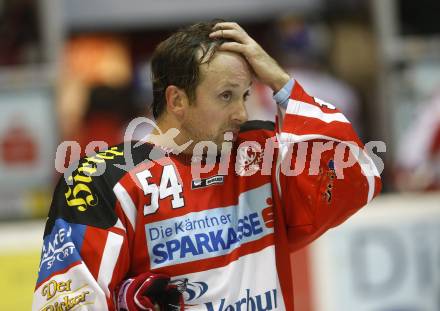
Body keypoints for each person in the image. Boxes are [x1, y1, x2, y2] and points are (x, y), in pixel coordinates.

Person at [32, 21, 382, 311]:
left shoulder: (261, 152)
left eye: (245, 95)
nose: (242, 113)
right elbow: (66, 301)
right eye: (226, 96)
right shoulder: (102, 179)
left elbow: (357, 179)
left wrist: (281, 82)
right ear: (177, 100)